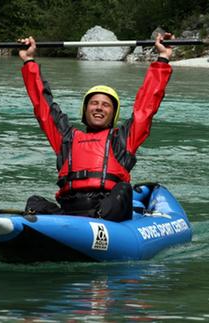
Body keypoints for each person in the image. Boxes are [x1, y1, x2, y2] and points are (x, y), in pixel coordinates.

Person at [19, 33, 174, 222]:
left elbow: (147, 106)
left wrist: (163, 59)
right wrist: (29, 61)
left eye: (106, 104)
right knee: (34, 202)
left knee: (123, 189)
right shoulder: (66, 138)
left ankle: (99, 226)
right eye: (94, 103)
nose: (99, 107)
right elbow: (43, 105)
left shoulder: (123, 140)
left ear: (113, 114)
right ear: (85, 110)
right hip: (70, 209)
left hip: (107, 211)